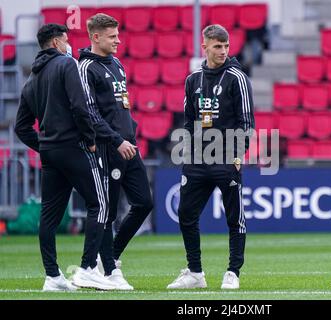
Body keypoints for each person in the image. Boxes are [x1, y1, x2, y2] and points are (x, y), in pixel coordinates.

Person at [14, 23, 114, 291]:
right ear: (57, 43)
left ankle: (52, 277)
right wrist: (90, 140)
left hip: (50, 153)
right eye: (66, 40)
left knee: (49, 216)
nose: (69, 44)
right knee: (99, 205)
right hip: (74, 148)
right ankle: (88, 268)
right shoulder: (67, 64)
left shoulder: (31, 79)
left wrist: (44, 145)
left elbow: (21, 127)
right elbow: (79, 106)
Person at [167, 24, 255, 290]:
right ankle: (195, 272)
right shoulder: (192, 80)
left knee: (234, 216)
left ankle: (233, 272)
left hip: (226, 156)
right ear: (204, 46)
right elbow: (188, 120)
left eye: (226, 46)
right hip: (197, 159)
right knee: (185, 214)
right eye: (217, 46)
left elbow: (246, 120)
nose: (223, 51)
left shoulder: (237, 77)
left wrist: (239, 152)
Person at [78, 13, 153, 290]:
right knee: (106, 211)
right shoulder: (85, 67)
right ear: (95, 37)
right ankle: (109, 271)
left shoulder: (117, 63)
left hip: (128, 145)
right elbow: (89, 112)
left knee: (144, 202)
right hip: (108, 149)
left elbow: (121, 106)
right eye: (112, 37)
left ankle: (110, 255)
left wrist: (129, 133)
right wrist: (115, 140)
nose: (118, 41)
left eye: (118, 35)